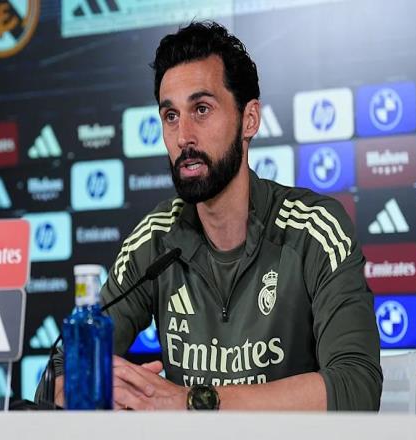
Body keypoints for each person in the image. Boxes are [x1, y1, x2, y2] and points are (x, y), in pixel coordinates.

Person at [39, 21, 382, 411]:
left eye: (201, 109)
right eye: (171, 116)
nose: (183, 135)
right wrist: (90, 389)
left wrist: (193, 402)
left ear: (249, 120)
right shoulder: (155, 239)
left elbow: (356, 387)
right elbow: (58, 376)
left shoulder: (314, 229)